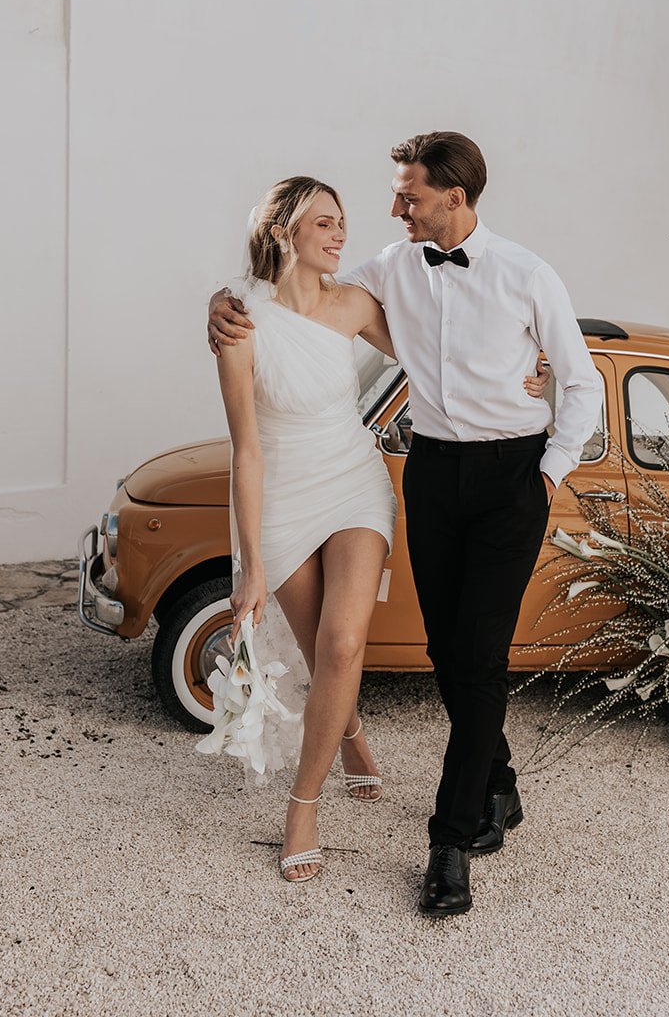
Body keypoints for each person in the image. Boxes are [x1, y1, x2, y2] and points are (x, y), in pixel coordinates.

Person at [210, 133, 602, 915]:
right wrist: (226, 302)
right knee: (447, 649)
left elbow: (582, 381)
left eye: (408, 196)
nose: (393, 210)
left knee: (478, 657)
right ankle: (497, 781)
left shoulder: (527, 273)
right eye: (393, 196)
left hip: (509, 475)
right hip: (431, 474)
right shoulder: (388, 269)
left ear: (454, 199)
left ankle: (447, 843)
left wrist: (545, 472)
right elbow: (302, 302)